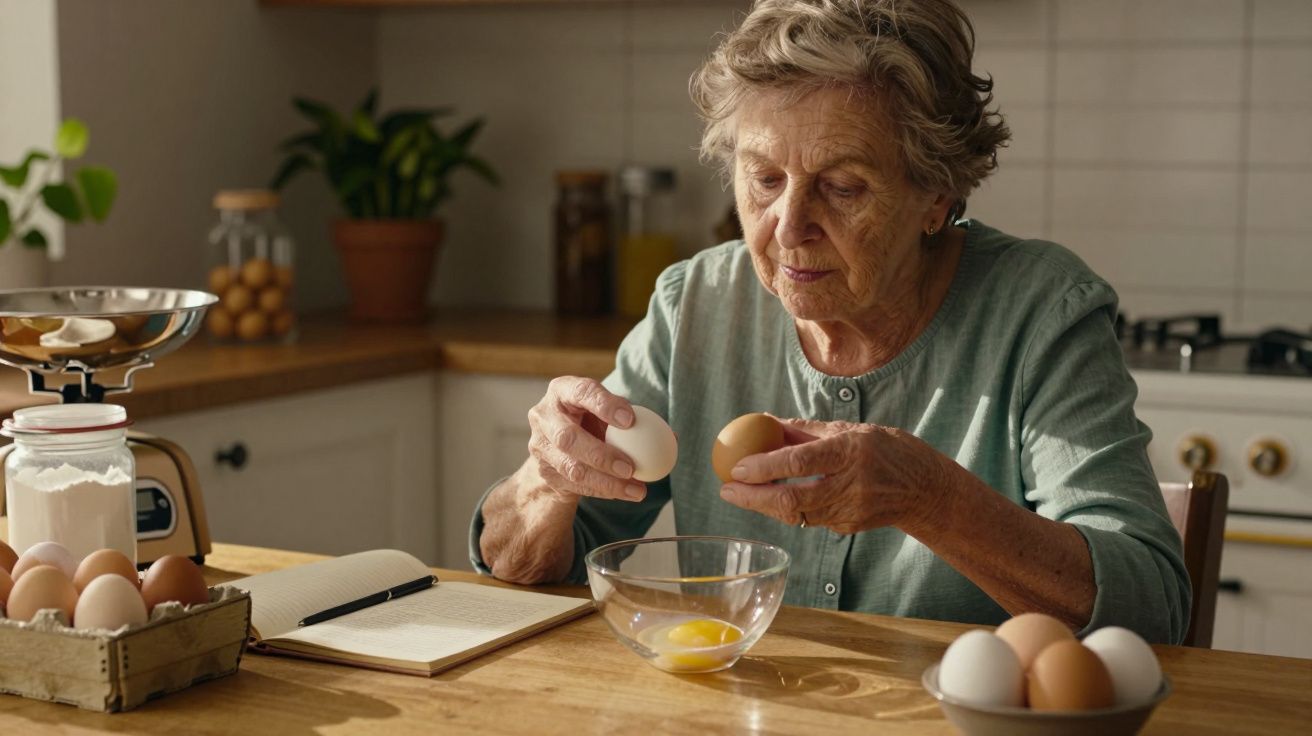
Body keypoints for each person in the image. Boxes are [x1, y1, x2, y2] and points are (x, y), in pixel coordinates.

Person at [471, 0, 1190, 643]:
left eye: (843, 187)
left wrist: (930, 498)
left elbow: (1153, 611)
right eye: (764, 179)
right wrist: (548, 480)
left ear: (937, 196)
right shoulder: (695, 305)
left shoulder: (1040, 311)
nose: (789, 228)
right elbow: (529, 562)